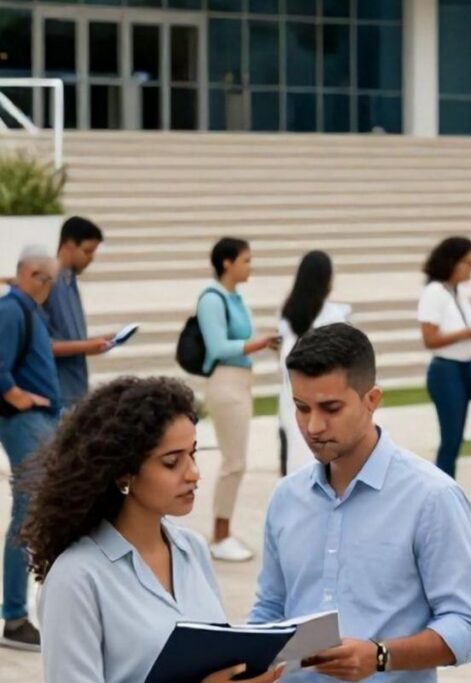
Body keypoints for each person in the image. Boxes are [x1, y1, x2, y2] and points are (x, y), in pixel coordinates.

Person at [251, 323, 471, 682]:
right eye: (301, 407)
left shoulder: (432, 497)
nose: (313, 426)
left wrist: (381, 657)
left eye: (330, 408)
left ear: (371, 400)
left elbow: (467, 625)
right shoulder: (287, 497)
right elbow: (271, 609)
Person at [22, 377, 283, 683]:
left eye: (194, 454)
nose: (194, 474)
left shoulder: (192, 549)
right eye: (172, 462)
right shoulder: (76, 578)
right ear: (123, 473)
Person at [197, 237, 280, 562]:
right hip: (225, 381)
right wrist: (257, 344)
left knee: (237, 461)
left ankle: (223, 530)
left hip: (242, 381)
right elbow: (217, 346)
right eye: (245, 260)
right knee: (234, 462)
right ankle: (220, 534)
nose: (250, 265)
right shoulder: (212, 299)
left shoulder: (236, 298)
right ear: (227, 263)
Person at [0, 245, 61, 652]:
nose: (49, 289)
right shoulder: (12, 309)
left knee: (37, 510)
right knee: (29, 511)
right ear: (32, 275)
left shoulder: (24, 308)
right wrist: (19, 397)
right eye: (47, 280)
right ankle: (15, 616)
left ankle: (22, 612)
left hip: (38, 420)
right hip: (24, 421)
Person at [417, 237, 471, 478]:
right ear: (452, 262)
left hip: (466, 366)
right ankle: (442, 492)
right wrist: (469, 332)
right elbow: (430, 339)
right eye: (468, 263)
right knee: (452, 440)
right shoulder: (434, 292)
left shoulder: (458, 293)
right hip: (446, 371)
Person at [278, 250, 351, 476]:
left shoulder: (287, 313)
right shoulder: (334, 316)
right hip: (321, 404)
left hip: (292, 403)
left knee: (294, 465)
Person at [43, 216, 113, 408]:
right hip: (55, 393)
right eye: (87, 251)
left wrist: (96, 343)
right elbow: (41, 345)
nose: (91, 258)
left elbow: (69, 337)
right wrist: (86, 347)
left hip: (75, 390)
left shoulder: (70, 281)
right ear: (68, 245)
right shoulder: (47, 283)